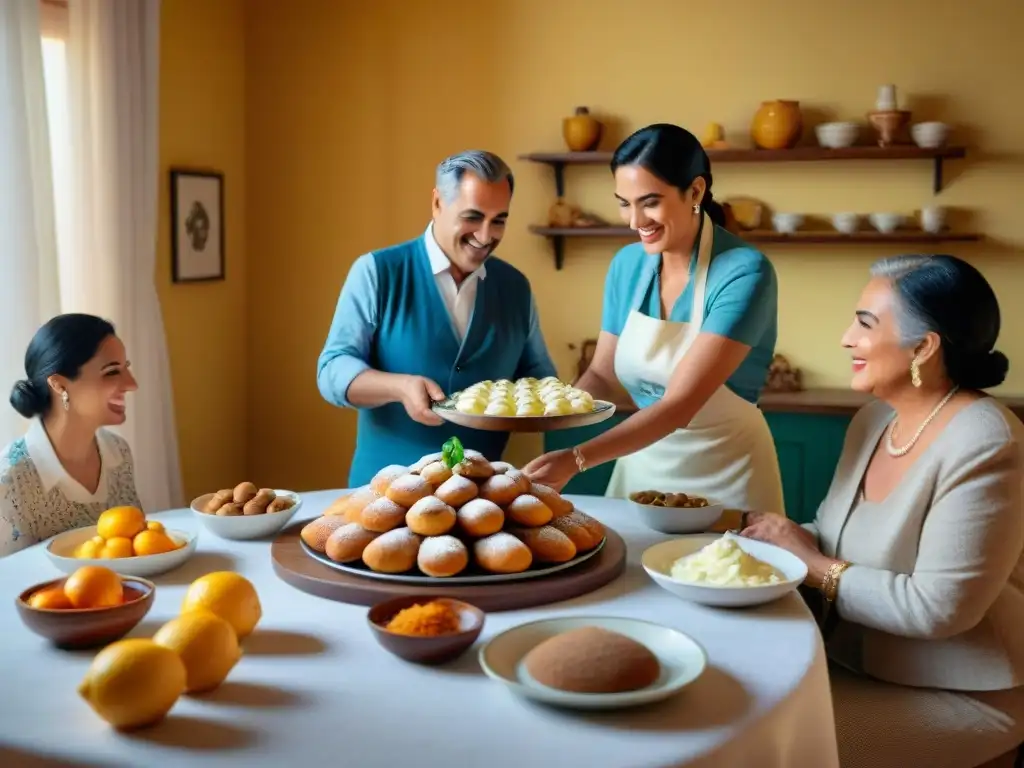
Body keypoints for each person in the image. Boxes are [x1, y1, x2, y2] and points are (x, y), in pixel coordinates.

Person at [742, 255, 1024, 768]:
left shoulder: (987, 440)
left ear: (924, 346)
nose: (846, 338)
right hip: (850, 660)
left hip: (958, 692)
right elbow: (828, 538)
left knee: (762, 749)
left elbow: (938, 608)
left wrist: (811, 563)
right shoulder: (875, 419)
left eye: (865, 323)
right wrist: (751, 542)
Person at [523, 123, 784, 515]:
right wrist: (549, 411)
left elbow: (680, 405)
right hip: (641, 463)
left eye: (649, 202)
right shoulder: (627, 265)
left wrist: (576, 458)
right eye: (624, 203)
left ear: (695, 191)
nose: (634, 220)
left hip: (728, 472)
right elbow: (604, 377)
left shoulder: (745, 272)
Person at [317, 150, 556, 486]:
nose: (486, 236)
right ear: (437, 203)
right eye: (472, 217)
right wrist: (399, 387)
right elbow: (331, 371)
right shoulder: (376, 272)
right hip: (384, 495)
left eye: (499, 220)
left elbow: (538, 374)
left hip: (483, 501)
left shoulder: (516, 287)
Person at [0, 314, 142, 557]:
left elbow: (138, 549)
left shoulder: (119, 452)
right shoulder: (11, 481)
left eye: (126, 368)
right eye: (111, 372)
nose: (131, 384)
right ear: (60, 385)